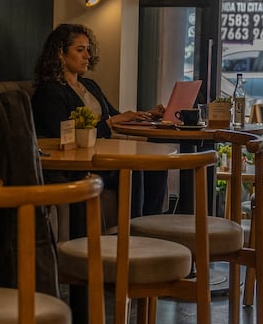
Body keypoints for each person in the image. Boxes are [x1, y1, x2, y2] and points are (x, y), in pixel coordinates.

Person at [31, 23, 168, 218]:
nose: (87, 55)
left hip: (101, 156)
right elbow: (63, 134)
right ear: (60, 53)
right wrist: (110, 123)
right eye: (80, 50)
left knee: (156, 167)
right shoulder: (49, 91)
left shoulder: (89, 85)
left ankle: (150, 227)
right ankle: (132, 233)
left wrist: (147, 115)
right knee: (132, 170)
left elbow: (113, 115)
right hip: (79, 165)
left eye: (88, 49)